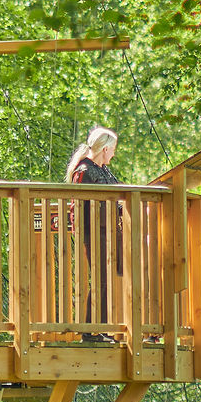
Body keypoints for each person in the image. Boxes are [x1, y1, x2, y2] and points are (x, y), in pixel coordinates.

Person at [65, 126, 121, 341]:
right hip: (95, 232)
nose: (113, 154)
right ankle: (91, 331)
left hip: (108, 231)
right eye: (113, 149)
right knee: (101, 281)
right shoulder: (85, 170)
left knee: (108, 280)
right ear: (105, 149)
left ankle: (101, 329)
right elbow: (79, 206)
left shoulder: (103, 170)